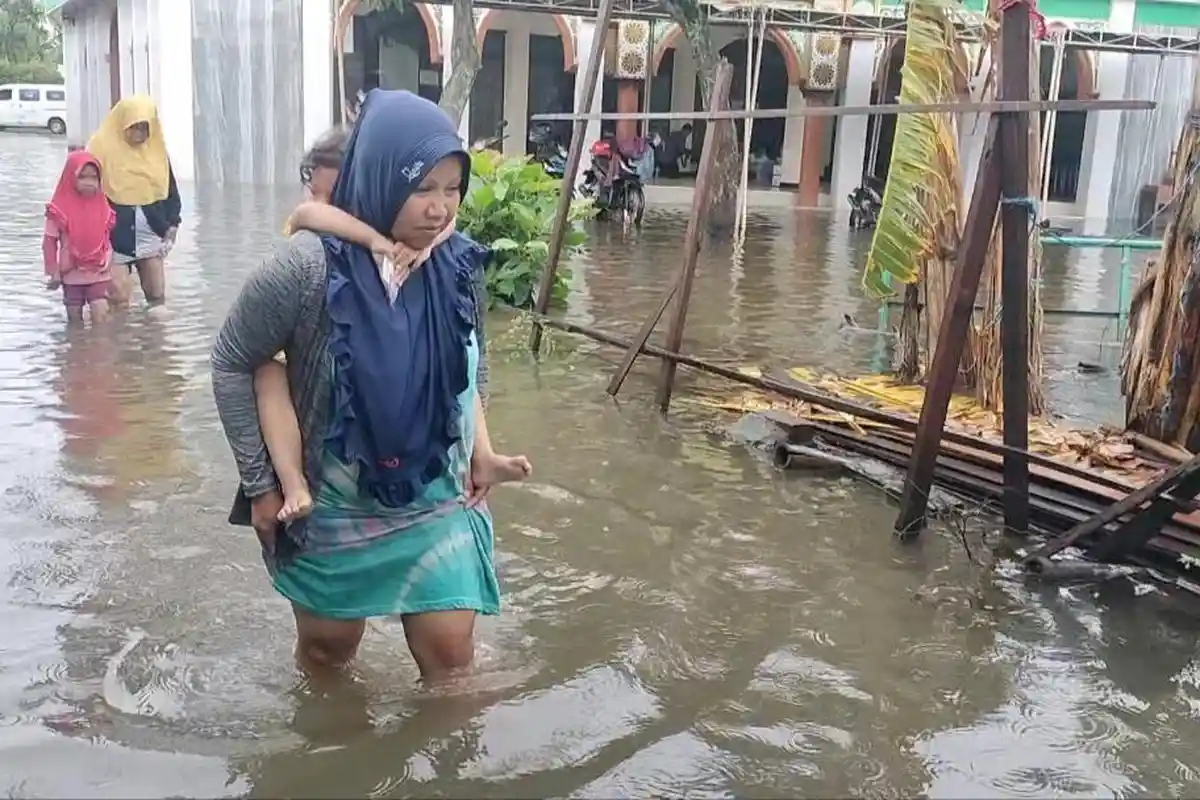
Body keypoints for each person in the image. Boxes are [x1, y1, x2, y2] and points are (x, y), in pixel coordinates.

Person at [212, 90, 529, 679]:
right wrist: (261, 484)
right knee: (328, 654)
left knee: (452, 657)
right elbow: (233, 360)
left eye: (451, 188)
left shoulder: (457, 264)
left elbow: (472, 358)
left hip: (439, 496)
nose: (439, 208)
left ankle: (454, 770)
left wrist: (478, 453)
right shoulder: (307, 268)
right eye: (422, 188)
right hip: (335, 503)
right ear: (381, 176)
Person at [258, 125, 456, 523]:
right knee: (267, 372)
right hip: (297, 346)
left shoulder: (420, 237)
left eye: (336, 197)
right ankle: (293, 482)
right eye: (316, 191)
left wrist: (430, 244)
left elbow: (453, 218)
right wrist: (376, 242)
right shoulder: (313, 236)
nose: (324, 204)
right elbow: (308, 213)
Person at [87, 95, 182, 309]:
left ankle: (151, 339)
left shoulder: (156, 152)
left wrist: (173, 225)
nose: (140, 134)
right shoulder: (100, 148)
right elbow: (85, 193)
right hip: (113, 235)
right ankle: (120, 340)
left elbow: (171, 192)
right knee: (118, 298)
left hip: (151, 231)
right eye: (134, 127)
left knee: (156, 296)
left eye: (144, 128)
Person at [43, 151, 116, 325]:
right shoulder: (58, 210)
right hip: (71, 273)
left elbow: (107, 236)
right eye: (82, 177)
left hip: (98, 270)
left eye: (94, 177)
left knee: (101, 315)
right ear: (70, 177)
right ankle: (77, 350)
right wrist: (53, 271)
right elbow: (49, 242)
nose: (89, 183)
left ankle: (100, 350)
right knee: (74, 319)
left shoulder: (103, 205)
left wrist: (109, 257)